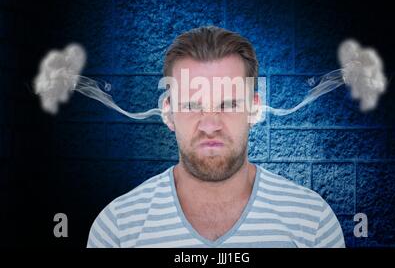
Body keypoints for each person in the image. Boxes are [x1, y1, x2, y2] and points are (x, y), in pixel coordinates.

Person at [87, 26, 345, 248]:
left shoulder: (312, 221)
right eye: (191, 106)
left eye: (229, 105)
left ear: (253, 109)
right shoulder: (118, 226)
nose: (210, 125)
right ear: (168, 112)